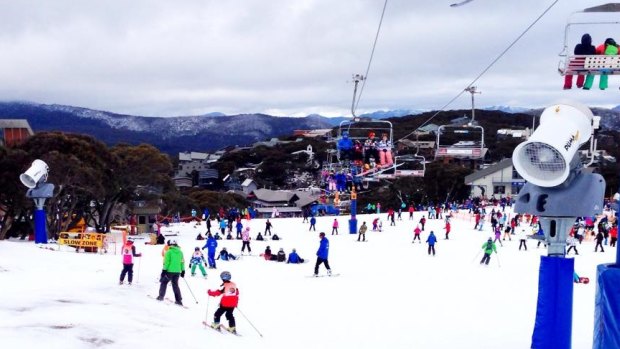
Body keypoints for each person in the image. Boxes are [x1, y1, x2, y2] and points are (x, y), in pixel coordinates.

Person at [157, 240, 185, 306]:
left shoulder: (169, 252)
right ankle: (178, 300)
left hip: (169, 271)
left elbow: (167, 262)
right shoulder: (180, 252)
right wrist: (183, 270)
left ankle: (161, 296)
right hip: (177, 271)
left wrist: (164, 270)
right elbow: (182, 262)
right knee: (175, 285)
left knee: (164, 282)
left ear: (171, 245)